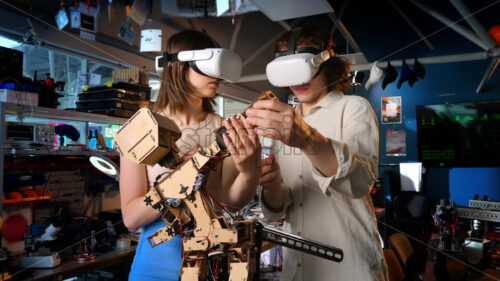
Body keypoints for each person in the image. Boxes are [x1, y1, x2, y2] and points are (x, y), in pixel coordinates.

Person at [245, 24, 388, 281]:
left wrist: (307, 140)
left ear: (326, 64)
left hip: (350, 268)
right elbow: (279, 210)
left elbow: (360, 183)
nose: (299, 82)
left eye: (305, 70)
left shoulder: (353, 108)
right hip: (298, 270)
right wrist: (272, 187)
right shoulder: (284, 122)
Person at [120, 29, 262, 281]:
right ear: (180, 66)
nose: (216, 75)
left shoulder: (223, 129)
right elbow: (131, 218)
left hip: (207, 265)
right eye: (207, 66)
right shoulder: (140, 129)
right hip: (152, 267)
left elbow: (230, 202)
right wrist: (177, 182)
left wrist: (250, 171)